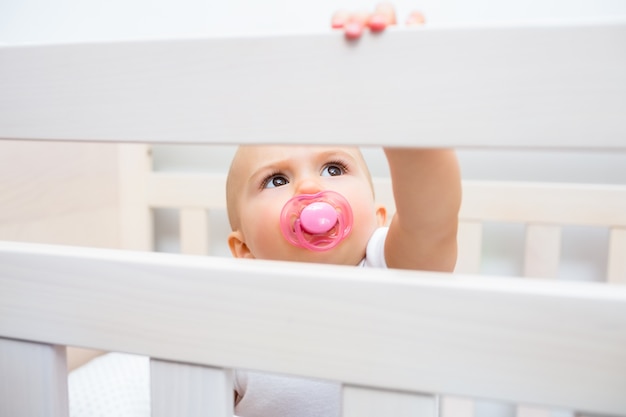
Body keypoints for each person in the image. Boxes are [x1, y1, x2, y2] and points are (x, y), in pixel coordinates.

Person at [228, 7, 461, 417]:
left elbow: (432, 221)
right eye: (276, 180)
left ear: (379, 218)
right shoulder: (231, 321)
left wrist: (406, 113)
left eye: (334, 169)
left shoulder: (387, 271)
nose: (310, 187)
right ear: (243, 249)